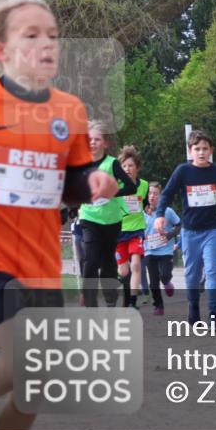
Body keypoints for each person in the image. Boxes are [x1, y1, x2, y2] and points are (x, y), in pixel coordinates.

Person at [0, 0, 118, 430]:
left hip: (41, 261)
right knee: (18, 357)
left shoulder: (69, 110)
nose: (46, 44)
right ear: (0, 51)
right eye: (31, 35)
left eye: (53, 35)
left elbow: (68, 184)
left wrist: (91, 182)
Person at [156, 129, 216, 323]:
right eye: (197, 149)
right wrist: (160, 215)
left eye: (205, 148)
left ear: (211, 150)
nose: (202, 152)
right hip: (190, 231)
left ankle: (213, 314)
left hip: (213, 229)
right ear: (190, 151)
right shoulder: (183, 171)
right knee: (192, 274)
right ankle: (194, 307)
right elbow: (167, 194)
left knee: (213, 270)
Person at [78, 120, 137, 307]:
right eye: (89, 139)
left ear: (105, 143)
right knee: (91, 260)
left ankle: (110, 296)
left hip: (111, 221)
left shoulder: (112, 164)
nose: (92, 143)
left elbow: (131, 186)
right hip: (89, 218)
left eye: (97, 139)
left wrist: (112, 192)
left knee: (108, 263)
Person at [116, 145, 148, 308]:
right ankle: (124, 284)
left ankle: (133, 300)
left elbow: (146, 204)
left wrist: (149, 208)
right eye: (124, 166)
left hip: (136, 230)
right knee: (123, 271)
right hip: (119, 232)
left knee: (136, 265)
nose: (127, 169)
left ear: (137, 167)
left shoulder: (144, 185)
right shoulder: (117, 185)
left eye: (131, 166)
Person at [143, 181, 179, 316]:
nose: (152, 196)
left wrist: (170, 235)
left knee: (164, 275)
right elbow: (139, 229)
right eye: (150, 193)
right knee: (153, 282)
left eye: (155, 194)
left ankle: (167, 282)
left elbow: (179, 225)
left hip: (166, 251)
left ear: (161, 196)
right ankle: (158, 305)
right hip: (149, 250)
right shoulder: (142, 213)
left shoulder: (167, 211)